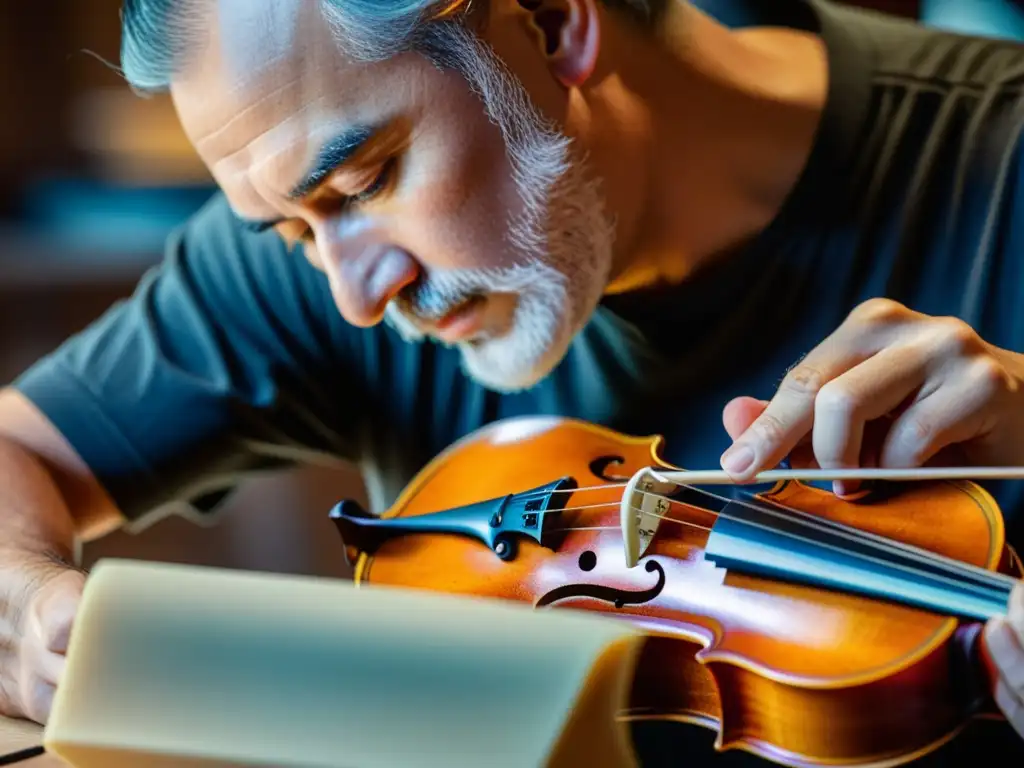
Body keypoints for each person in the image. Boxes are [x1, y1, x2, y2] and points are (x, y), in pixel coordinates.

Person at [0, 0, 1021, 762]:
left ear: (549, 22)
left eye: (367, 182)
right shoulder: (311, 255)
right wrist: (31, 608)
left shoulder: (1002, 161)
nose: (353, 293)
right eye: (292, 227)